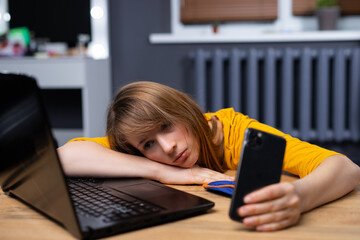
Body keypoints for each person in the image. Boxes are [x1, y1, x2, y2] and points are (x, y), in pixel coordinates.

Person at [58, 81, 360, 232]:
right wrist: (172, 174)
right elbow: (65, 156)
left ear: (183, 110)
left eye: (167, 126)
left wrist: (300, 196)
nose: (168, 148)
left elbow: (346, 168)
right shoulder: (141, 146)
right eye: (148, 144)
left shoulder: (233, 131)